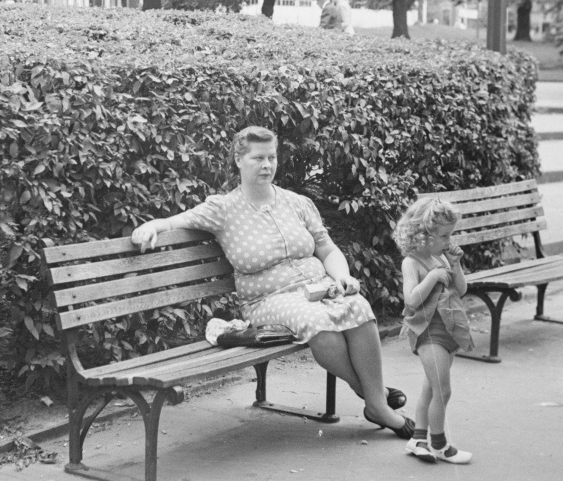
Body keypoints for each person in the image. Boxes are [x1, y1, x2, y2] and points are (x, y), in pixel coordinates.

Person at [132, 126, 414, 439]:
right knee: (317, 320)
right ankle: (375, 398)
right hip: (266, 301)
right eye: (257, 158)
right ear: (239, 160)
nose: (267, 165)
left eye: (271, 157)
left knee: (358, 306)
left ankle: (375, 401)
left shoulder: (297, 203)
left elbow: (326, 247)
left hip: (317, 287)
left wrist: (342, 276)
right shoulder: (222, 209)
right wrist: (150, 228)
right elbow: (175, 221)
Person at [393, 198, 475, 464]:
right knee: (443, 390)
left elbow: (461, 290)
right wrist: (431, 277)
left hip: (448, 329)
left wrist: (455, 264)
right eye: (443, 235)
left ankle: (417, 440)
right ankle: (440, 444)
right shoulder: (412, 262)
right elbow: (411, 301)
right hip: (428, 332)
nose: (448, 240)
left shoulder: (441, 256)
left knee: (431, 387)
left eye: (450, 234)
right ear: (423, 234)